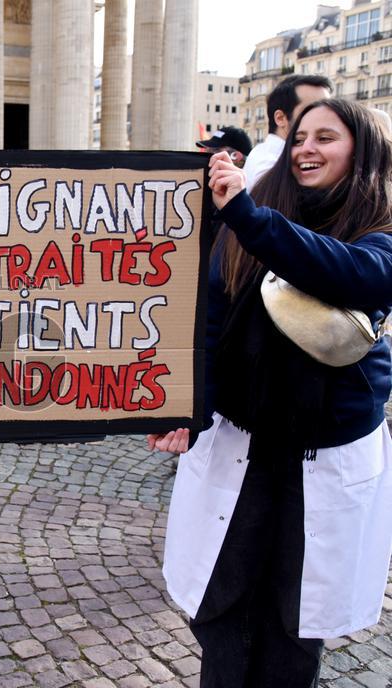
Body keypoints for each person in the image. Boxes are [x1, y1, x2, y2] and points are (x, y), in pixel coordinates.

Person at [154, 99, 392, 688]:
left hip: (324, 452)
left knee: (298, 613)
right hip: (244, 442)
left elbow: (352, 275)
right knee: (224, 599)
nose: (307, 148)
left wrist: (249, 217)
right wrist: (192, 409)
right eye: (301, 137)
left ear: (361, 151)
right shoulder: (250, 218)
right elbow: (211, 320)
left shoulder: (379, 226)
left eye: (326, 138)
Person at [244, 75, 332, 190]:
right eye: (311, 110)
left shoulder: (266, 154)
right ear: (280, 118)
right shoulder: (270, 166)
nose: (326, 118)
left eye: (328, 110)